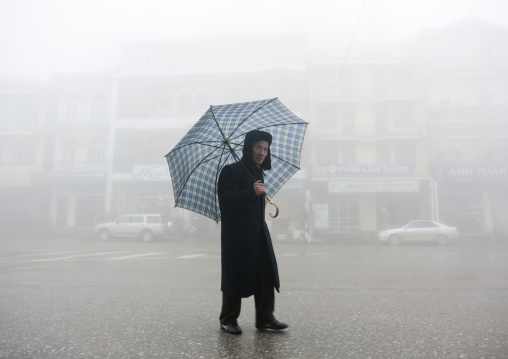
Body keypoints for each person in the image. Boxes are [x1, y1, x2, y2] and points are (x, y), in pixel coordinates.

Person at [217, 130, 288, 335]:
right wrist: (251, 192)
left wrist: (256, 191)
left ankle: (265, 318)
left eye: (266, 149)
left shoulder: (257, 173)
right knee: (235, 274)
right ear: (249, 148)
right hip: (237, 236)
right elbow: (226, 202)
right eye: (259, 147)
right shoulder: (230, 171)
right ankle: (228, 318)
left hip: (258, 233)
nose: (262, 152)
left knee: (265, 273)